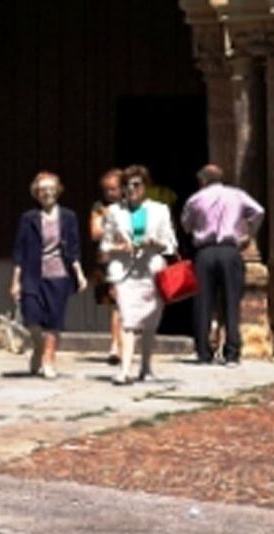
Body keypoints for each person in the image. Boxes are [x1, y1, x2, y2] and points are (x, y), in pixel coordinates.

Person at [180, 163, 264, 367]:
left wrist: (199, 226)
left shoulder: (195, 199)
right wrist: (247, 234)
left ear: (203, 180)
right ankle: (232, 352)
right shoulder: (237, 195)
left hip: (205, 252)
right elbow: (258, 211)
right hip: (230, 249)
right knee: (231, 300)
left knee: (203, 302)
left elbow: (186, 225)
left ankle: (203, 352)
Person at [100, 165, 176, 385]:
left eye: (136, 184)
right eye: (127, 185)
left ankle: (146, 367)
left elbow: (170, 244)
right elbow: (105, 244)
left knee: (150, 323)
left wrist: (155, 242)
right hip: (124, 273)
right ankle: (124, 370)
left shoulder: (160, 210)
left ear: (145, 187)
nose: (131, 189)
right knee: (127, 319)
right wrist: (120, 246)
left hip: (151, 271)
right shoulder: (114, 211)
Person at [10, 172, 87, 379]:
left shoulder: (68, 217)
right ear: (36, 193)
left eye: (50, 188)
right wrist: (16, 281)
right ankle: (38, 346)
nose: (47, 193)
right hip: (32, 273)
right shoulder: (28, 218)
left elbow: (73, 248)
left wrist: (79, 274)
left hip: (59, 274)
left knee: (53, 321)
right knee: (32, 316)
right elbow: (19, 251)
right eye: (42, 189)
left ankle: (49, 359)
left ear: (58, 190)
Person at [90, 169, 124, 365]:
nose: (110, 193)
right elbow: (95, 232)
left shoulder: (132, 206)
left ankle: (123, 345)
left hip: (130, 258)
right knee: (115, 303)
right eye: (106, 189)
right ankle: (115, 345)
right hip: (108, 258)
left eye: (114, 189)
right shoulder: (100, 207)